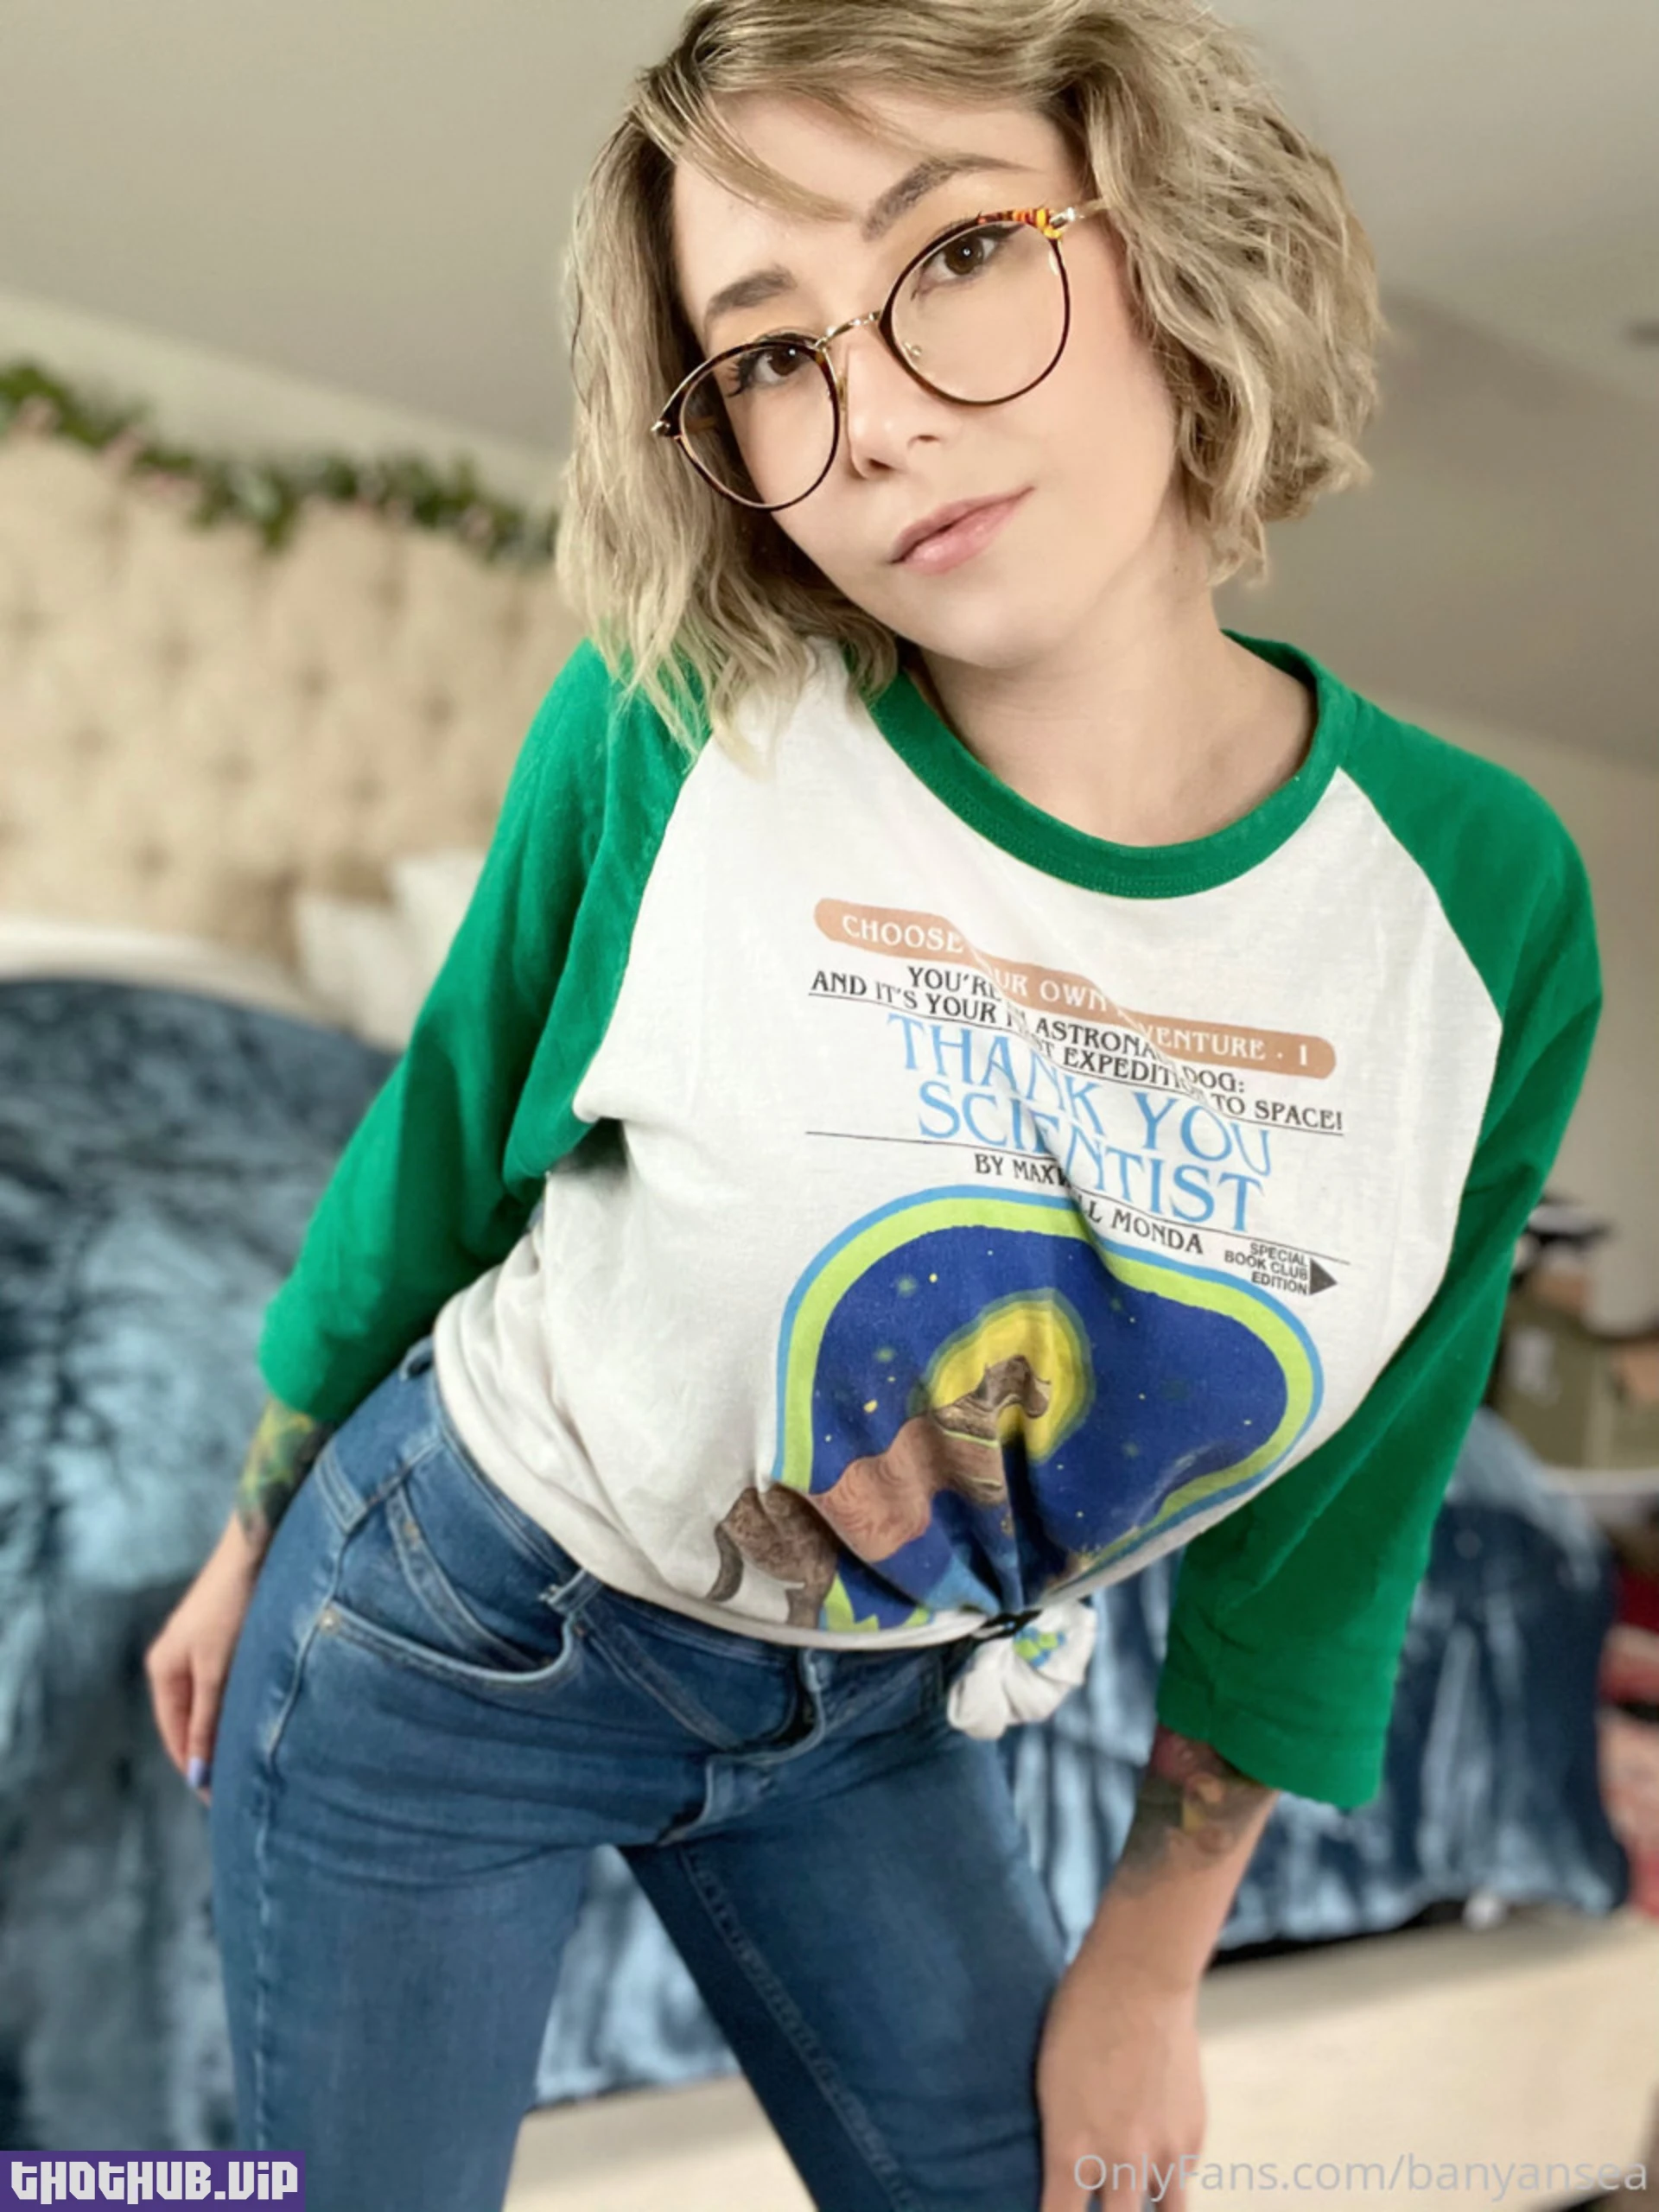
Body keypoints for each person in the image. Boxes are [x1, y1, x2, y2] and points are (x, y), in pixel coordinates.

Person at [144, 2, 1601, 2207]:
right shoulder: (681, 725)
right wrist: (253, 1527)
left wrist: (1149, 1959)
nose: (877, 420)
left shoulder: (1477, 905)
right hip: (455, 1629)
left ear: (1167, 232)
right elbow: (437, 1148)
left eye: (958, 252)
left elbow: (1358, 1490)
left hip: (879, 1710)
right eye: (767, 353)